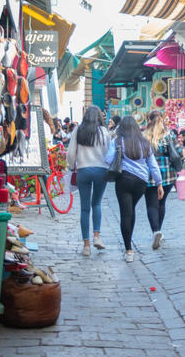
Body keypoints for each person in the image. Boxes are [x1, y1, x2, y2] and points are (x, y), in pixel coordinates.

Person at [105, 116, 163, 262]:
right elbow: (153, 165)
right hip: (141, 182)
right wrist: (159, 183)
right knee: (131, 210)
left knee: (125, 213)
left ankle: (128, 251)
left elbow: (108, 159)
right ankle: (129, 246)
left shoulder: (117, 141)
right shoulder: (145, 143)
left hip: (123, 179)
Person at [67, 106, 111, 256]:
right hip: (101, 171)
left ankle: (86, 246)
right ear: (99, 117)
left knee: (84, 208)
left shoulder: (78, 130)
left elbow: (71, 153)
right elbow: (109, 153)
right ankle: (96, 236)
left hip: (83, 171)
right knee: (97, 203)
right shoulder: (104, 132)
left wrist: (73, 166)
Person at [143, 110, 181, 249]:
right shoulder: (170, 134)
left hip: (149, 173)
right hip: (168, 173)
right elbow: (177, 151)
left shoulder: (144, 135)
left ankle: (155, 230)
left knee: (151, 203)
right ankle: (159, 229)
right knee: (162, 202)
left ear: (149, 120)